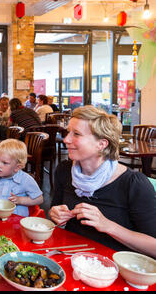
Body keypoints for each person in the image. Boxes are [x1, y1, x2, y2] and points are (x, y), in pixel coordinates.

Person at [49, 105, 156, 256]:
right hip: (71, 258)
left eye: (77, 134)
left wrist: (108, 226)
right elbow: (55, 214)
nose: (66, 139)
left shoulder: (134, 184)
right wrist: (56, 216)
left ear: (102, 144)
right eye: (68, 132)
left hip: (114, 268)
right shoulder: (64, 171)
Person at [0, 139, 43, 217]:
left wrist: (20, 200)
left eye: (5, 163)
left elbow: (39, 199)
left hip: (17, 222)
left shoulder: (26, 180)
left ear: (17, 167)